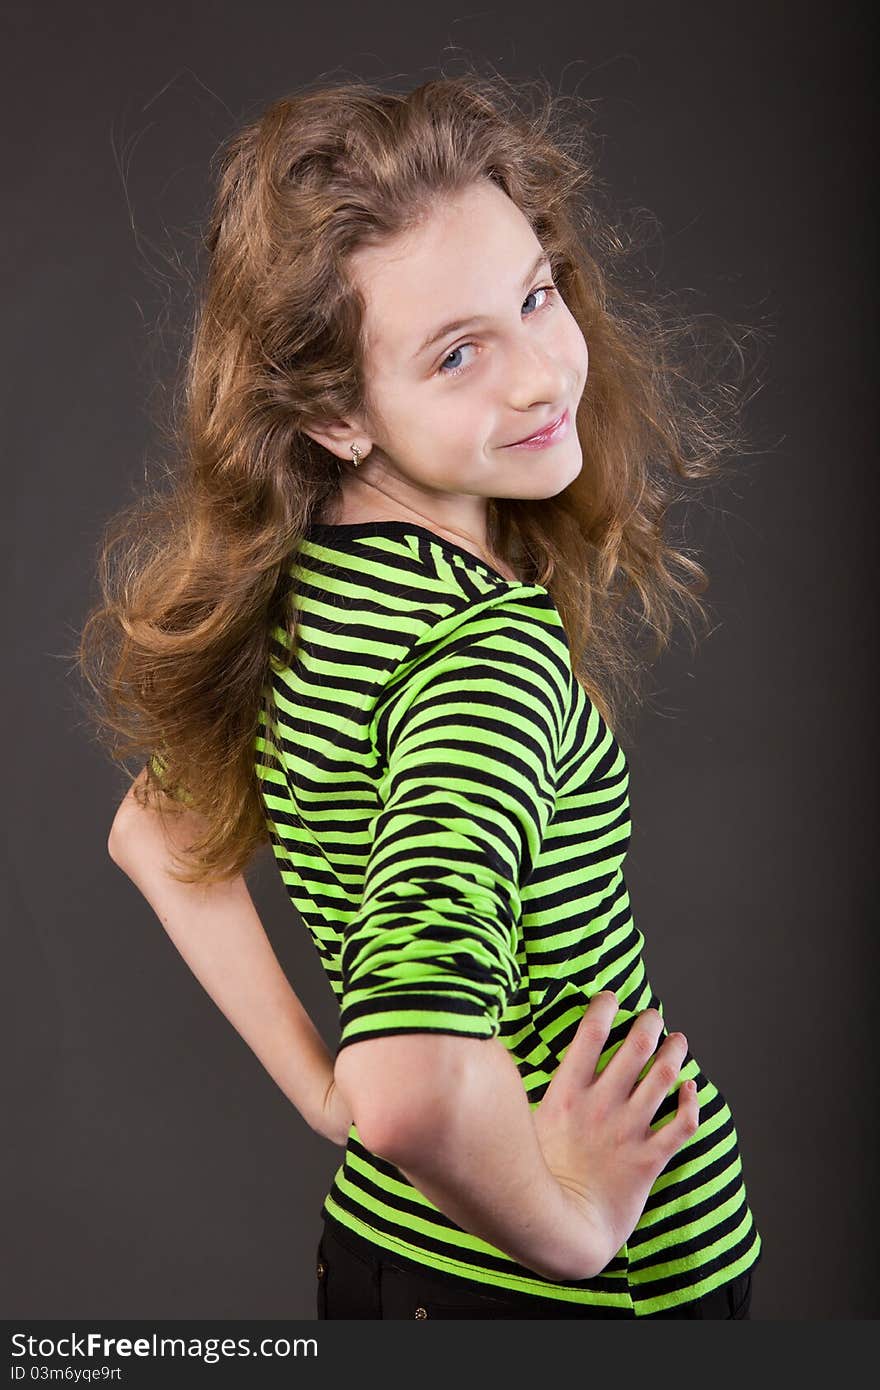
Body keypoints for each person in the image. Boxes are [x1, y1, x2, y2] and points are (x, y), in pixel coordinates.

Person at [80, 71, 764, 1319]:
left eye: (534, 295)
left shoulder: (296, 583)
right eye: (458, 352)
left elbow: (156, 826)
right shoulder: (480, 650)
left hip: (390, 1259)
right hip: (568, 1305)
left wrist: (323, 1094)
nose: (541, 375)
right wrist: (574, 1229)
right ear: (337, 413)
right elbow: (409, 1084)